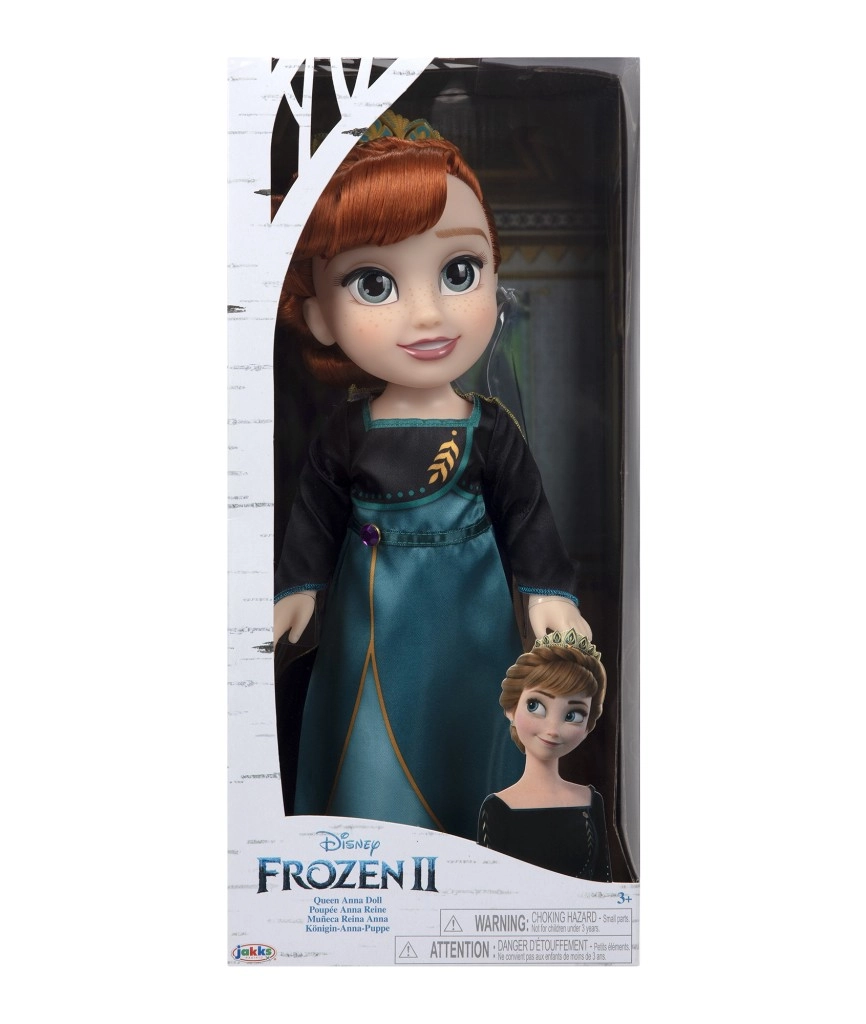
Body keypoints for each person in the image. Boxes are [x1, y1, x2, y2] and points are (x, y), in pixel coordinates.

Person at [274, 110, 589, 840]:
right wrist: (299, 587)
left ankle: (479, 849)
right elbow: (315, 514)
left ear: (495, 278)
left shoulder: (489, 429)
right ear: (318, 316)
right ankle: (372, 840)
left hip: (473, 614)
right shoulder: (347, 432)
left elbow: (527, 516)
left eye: (458, 273)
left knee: (476, 729)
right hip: (374, 613)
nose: (427, 314)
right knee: (370, 740)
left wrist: (548, 591)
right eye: (373, 283)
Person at [477, 630, 612, 881]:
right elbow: (490, 890)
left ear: (587, 727)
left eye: (572, 715)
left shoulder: (590, 801)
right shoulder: (497, 808)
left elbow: (604, 885)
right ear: (511, 708)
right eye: (535, 706)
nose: (552, 730)